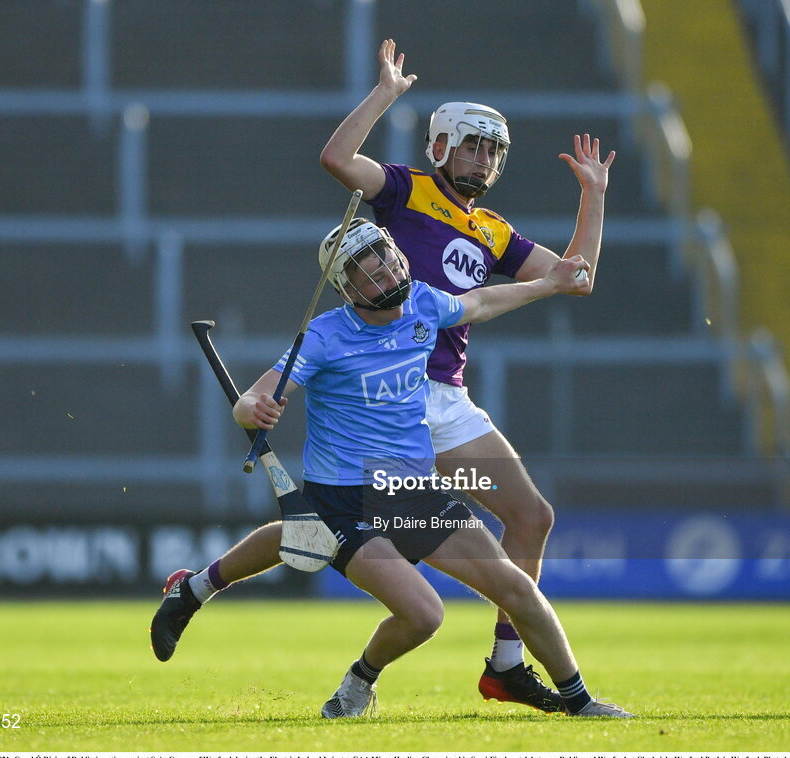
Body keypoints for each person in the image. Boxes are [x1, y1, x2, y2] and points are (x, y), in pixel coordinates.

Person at [149, 39, 615, 712]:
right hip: (388, 386)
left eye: (493, 150)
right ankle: (207, 588)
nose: (483, 159)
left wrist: (593, 199)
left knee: (524, 516)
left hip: (445, 397)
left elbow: (576, 278)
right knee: (342, 514)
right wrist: (385, 95)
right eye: (472, 145)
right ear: (443, 146)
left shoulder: (493, 231)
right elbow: (338, 160)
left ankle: (507, 664)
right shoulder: (405, 190)